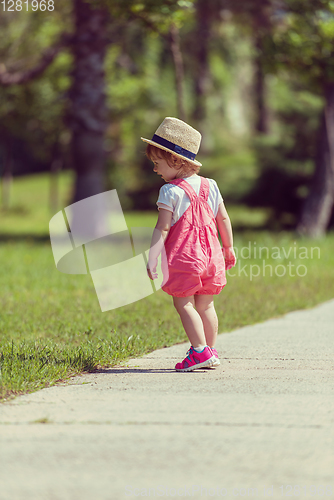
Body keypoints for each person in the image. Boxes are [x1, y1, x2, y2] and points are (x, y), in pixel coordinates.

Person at [141, 117, 236, 372]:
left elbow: (162, 228)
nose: (155, 169)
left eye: (157, 163)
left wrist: (152, 258)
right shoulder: (211, 185)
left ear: (175, 160)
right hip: (212, 256)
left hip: (186, 257)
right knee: (206, 304)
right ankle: (210, 351)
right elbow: (223, 218)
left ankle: (199, 351)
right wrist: (228, 248)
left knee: (184, 303)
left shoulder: (170, 192)